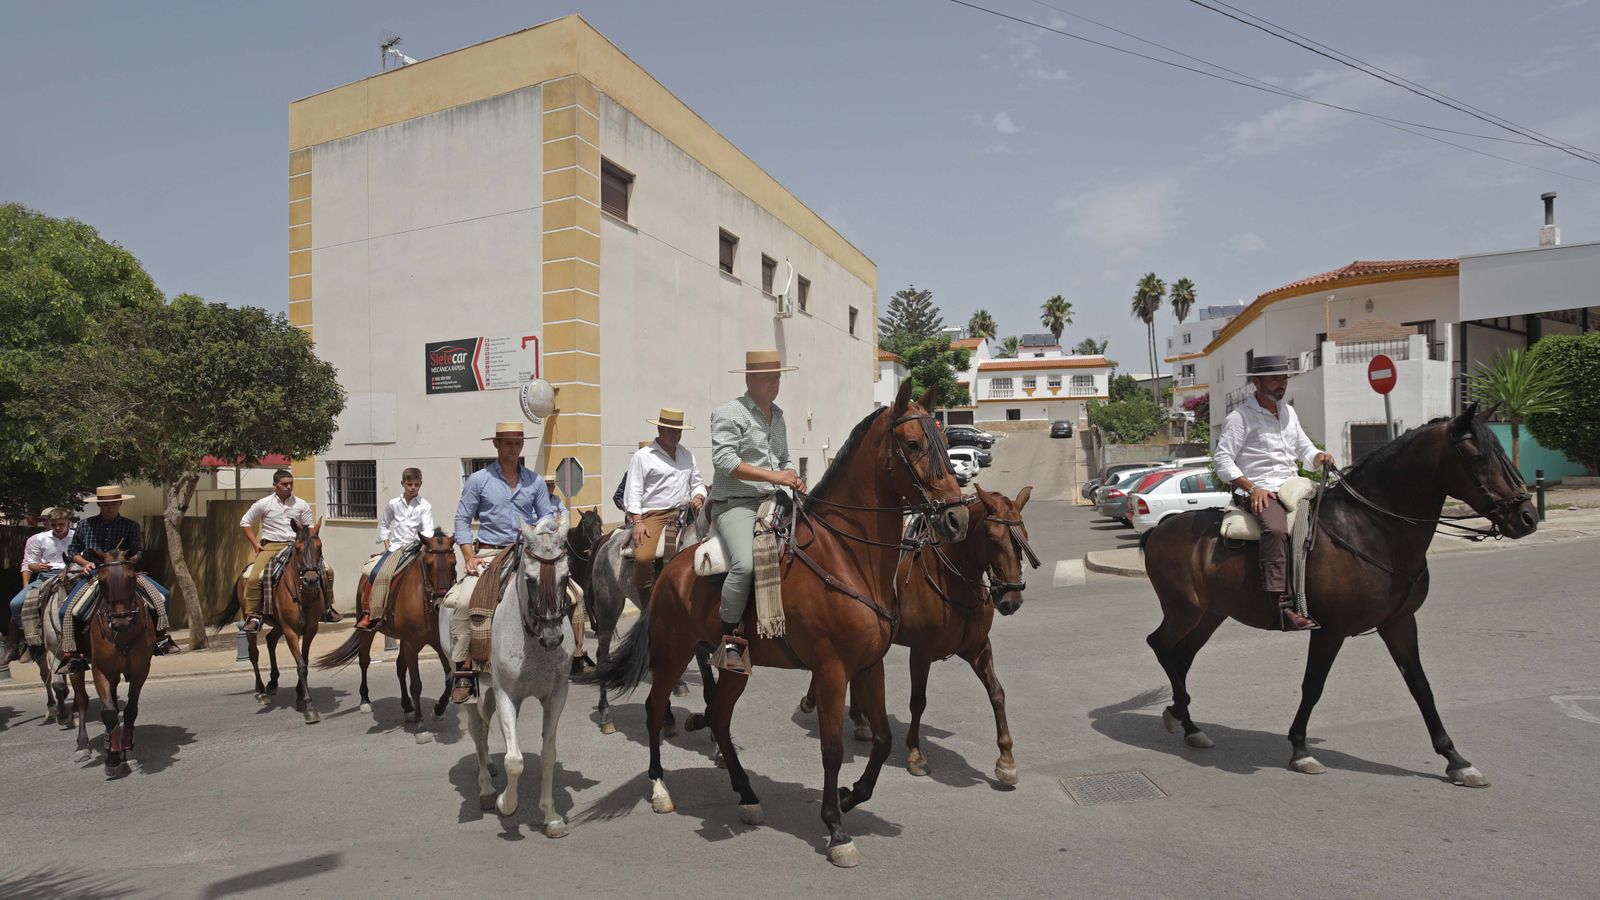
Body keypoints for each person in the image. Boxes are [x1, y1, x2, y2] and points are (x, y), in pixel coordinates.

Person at [1213, 354, 1337, 631]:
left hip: (1289, 484)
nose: (1281, 383)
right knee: (1277, 529)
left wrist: (1319, 457)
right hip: (1259, 490)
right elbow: (1222, 461)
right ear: (1256, 382)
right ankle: (1281, 604)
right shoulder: (1240, 417)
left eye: (1283, 378)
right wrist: (1252, 487)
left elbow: (1304, 449)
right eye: (1274, 378)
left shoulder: (1289, 413)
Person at [447, 421, 562, 703]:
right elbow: (462, 519)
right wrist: (468, 556)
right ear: (497, 445)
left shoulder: (535, 481)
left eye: (518, 443)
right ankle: (464, 669)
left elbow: (546, 515)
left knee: (573, 592)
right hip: (490, 552)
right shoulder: (479, 480)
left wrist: (544, 532)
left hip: (527, 549)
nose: (513, 448)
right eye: (508, 443)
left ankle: (576, 654)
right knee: (464, 601)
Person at [708, 350, 803, 674]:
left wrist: (792, 476)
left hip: (774, 498)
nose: (773, 384)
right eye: (767, 378)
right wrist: (775, 476)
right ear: (749, 380)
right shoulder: (729, 413)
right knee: (745, 564)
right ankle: (730, 638)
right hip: (736, 503)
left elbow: (784, 456)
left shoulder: (778, 415)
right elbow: (725, 462)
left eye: (777, 378)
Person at [59, 486, 181, 671]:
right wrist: (85, 563)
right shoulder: (85, 525)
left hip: (125, 575)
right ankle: (73, 654)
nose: (110, 508)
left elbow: (138, 552)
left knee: (163, 595)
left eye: (114, 504)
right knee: (65, 611)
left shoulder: (131, 525)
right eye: (106, 505)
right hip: (96, 575)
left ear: (120, 503)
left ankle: (160, 637)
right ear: (100, 505)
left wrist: (125, 563)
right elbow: (73, 551)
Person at [239, 469, 339, 634]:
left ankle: (327, 608)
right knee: (254, 577)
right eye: (284, 484)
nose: (288, 487)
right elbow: (245, 522)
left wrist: (308, 541)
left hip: (297, 546)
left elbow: (308, 528)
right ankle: (254, 615)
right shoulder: (263, 504)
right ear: (275, 485)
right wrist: (256, 545)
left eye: (291, 483)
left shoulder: (301, 504)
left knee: (328, 570)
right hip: (272, 545)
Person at [624, 407, 707, 605]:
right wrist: (637, 521)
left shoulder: (687, 455)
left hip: (686, 513)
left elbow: (697, 483)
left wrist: (699, 496)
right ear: (660, 429)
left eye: (678, 431)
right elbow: (633, 491)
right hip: (655, 514)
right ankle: (647, 602)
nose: (675, 435)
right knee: (644, 557)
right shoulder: (643, 456)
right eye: (670, 430)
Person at [356, 467, 434, 631]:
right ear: (402, 483)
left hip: (417, 548)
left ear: (421, 484)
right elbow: (384, 525)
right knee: (377, 572)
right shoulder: (393, 504)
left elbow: (428, 530)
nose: (413, 488)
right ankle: (369, 613)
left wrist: (423, 546)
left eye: (416, 485)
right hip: (396, 548)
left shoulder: (425, 506)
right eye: (409, 484)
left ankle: (435, 612)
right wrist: (387, 545)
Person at [6, 508, 73, 665]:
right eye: (54, 524)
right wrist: (38, 567)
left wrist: (69, 569)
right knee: (15, 603)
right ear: (49, 523)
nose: (57, 528)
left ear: (68, 522)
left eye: (61, 524)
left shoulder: (76, 536)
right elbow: (30, 564)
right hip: (46, 577)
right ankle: (30, 639)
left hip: (72, 576)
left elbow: (82, 557)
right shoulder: (39, 539)